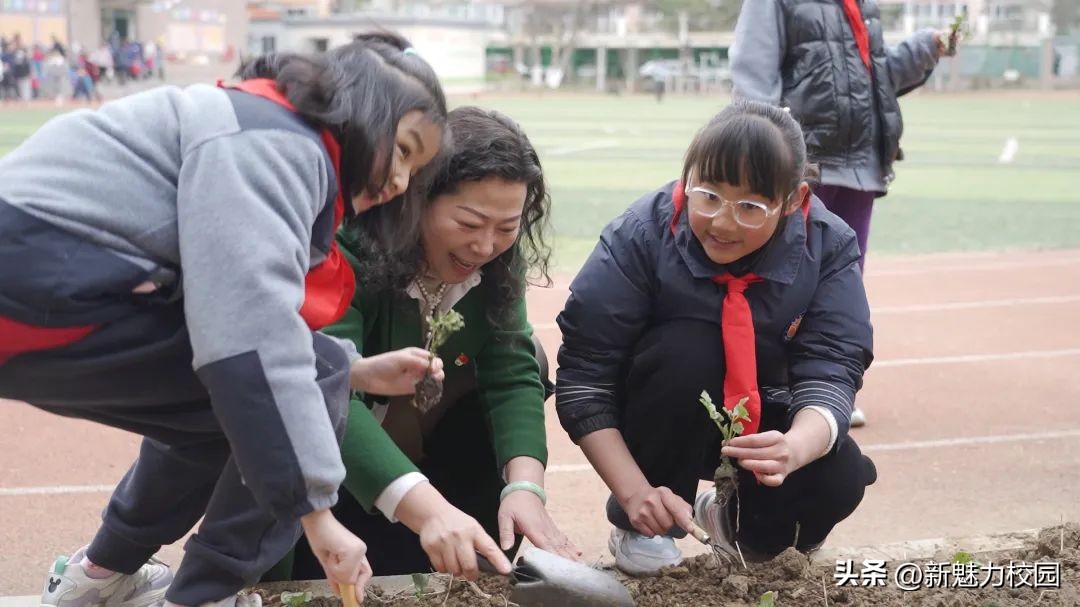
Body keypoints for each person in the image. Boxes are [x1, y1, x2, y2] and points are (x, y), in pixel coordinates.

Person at [0, 33, 447, 607]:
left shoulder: (260, 123)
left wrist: (356, 369)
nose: (402, 181)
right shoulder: (276, 141)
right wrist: (319, 517)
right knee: (296, 380)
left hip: (42, 293)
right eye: (404, 150)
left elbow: (231, 312)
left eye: (416, 168)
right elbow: (250, 336)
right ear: (362, 110)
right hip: (42, 283)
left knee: (247, 398)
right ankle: (205, 596)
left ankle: (100, 575)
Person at [554, 100, 878, 577]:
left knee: (839, 475)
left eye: (750, 207)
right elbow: (586, 374)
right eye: (707, 196)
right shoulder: (641, 234)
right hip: (660, 412)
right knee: (690, 348)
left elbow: (832, 362)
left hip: (763, 418)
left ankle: (736, 522)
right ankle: (649, 525)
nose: (723, 223)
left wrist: (795, 446)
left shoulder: (828, 245)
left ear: (793, 200)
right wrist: (634, 492)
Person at [271, 106, 580, 582]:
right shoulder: (344, 248)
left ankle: (464, 545)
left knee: (533, 358)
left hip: (432, 472)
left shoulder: (497, 260)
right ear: (417, 199)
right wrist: (429, 511)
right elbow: (322, 389)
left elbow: (512, 370)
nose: (485, 246)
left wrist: (525, 488)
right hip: (340, 483)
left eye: (507, 226)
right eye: (470, 223)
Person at [729, 0, 955, 427]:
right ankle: (769, 393)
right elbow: (753, 77)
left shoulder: (861, 4)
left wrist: (926, 47)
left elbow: (874, 79)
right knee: (782, 284)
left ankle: (826, 392)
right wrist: (767, 158)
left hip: (860, 166)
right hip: (805, 163)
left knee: (841, 290)